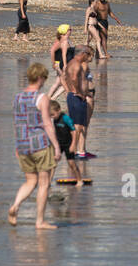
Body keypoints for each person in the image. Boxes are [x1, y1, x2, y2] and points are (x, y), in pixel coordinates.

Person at [8, 63, 59, 229]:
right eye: (44, 78)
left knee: (30, 181)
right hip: (39, 144)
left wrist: (18, 145)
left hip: (22, 144)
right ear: (39, 78)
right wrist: (56, 146)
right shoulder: (41, 98)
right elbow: (47, 124)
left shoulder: (17, 97)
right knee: (43, 184)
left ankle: (15, 205)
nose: (44, 81)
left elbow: (17, 122)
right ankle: (40, 221)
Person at [50, 99, 85, 186]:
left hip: (68, 144)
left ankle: (79, 180)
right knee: (53, 163)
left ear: (59, 110)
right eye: (50, 115)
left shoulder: (66, 119)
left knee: (71, 163)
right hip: (59, 144)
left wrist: (73, 145)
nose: (52, 117)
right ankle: (48, 182)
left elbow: (74, 132)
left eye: (53, 115)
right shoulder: (54, 119)